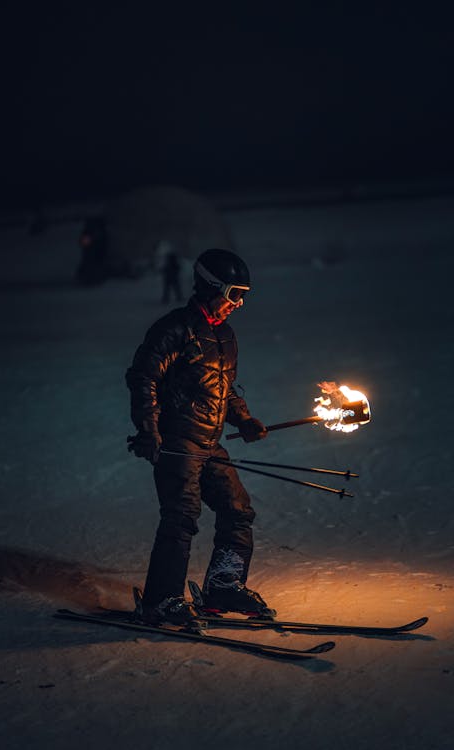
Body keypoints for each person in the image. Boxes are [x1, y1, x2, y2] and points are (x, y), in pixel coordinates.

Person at [126, 248, 270, 625]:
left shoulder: (224, 335)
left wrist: (244, 419)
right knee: (181, 515)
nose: (238, 303)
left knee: (237, 508)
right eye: (233, 294)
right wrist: (148, 430)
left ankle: (223, 586)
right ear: (211, 288)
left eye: (243, 295)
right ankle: (162, 600)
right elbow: (144, 378)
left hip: (210, 442)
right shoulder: (174, 329)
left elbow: (225, 388)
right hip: (177, 442)